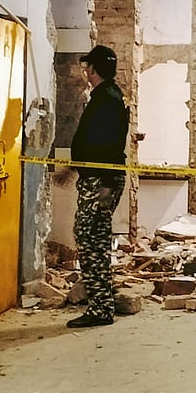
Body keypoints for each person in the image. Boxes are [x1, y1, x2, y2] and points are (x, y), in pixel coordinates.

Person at [65, 45, 129, 328]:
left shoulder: (107, 99)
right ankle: (102, 302)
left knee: (92, 241)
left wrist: (104, 183)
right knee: (92, 238)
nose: (86, 72)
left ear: (95, 68)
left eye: (88, 67)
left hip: (100, 180)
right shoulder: (105, 97)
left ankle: (101, 309)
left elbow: (111, 144)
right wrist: (73, 167)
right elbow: (95, 140)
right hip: (96, 177)